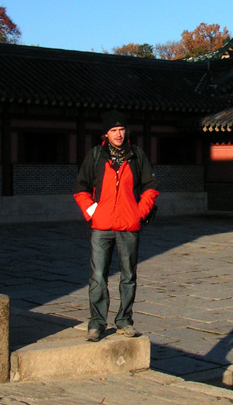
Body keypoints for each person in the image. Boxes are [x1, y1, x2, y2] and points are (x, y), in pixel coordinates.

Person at [73, 110, 159, 342]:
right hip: (101, 227)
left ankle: (124, 320)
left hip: (128, 226)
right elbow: (81, 188)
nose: (118, 134)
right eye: (114, 130)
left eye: (121, 129)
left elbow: (150, 187)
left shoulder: (136, 155)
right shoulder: (95, 156)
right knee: (98, 275)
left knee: (128, 275)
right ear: (106, 134)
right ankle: (97, 323)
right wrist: (93, 212)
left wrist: (137, 214)